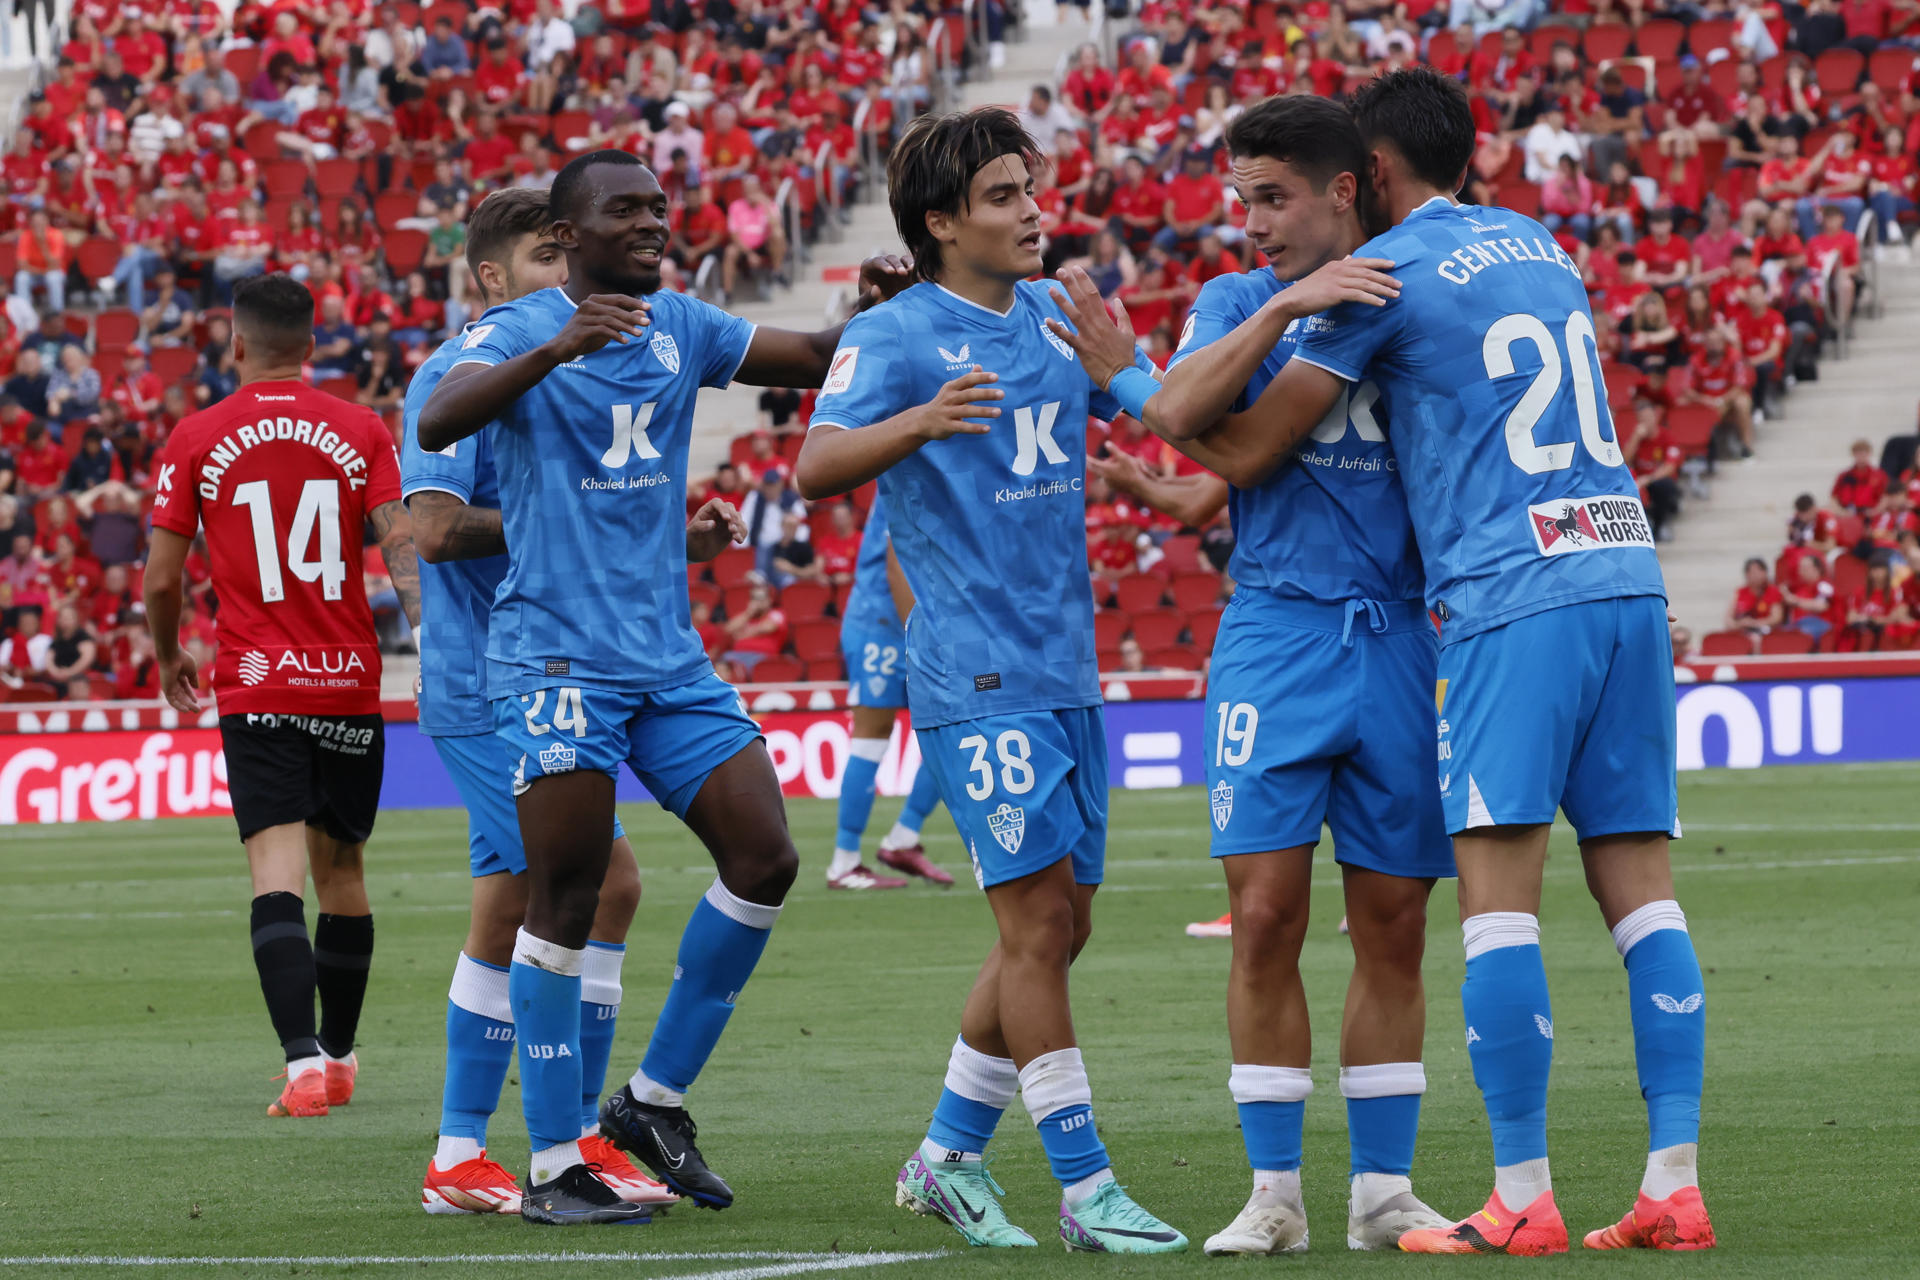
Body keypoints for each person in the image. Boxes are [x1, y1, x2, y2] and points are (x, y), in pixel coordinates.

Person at [1136, 69, 1711, 1254]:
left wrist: (1130, 381)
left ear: (1374, 177)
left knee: (1494, 903)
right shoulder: (1542, 244)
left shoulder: (1380, 280)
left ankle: (1519, 1194)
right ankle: (1673, 1181)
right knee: (1643, 896)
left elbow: (1241, 444)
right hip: (1623, 573)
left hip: (1508, 598)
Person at [417, 148, 912, 1225]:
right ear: (567, 234)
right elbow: (439, 423)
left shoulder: (682, 323)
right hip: (553, 659)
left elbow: (818, 354)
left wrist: (870, 312)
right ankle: (554, 1159)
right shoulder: (511, 334)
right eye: (625, 209)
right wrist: (557, 345)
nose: (652, 220)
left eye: (656, 205)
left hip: (667, 658)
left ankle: (648, 1102)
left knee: (766, 855)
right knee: (563, 896)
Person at [1043, 93, 1454, 1255]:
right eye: (1243, 201)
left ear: (1347, 187)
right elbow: (1188, 417)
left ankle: (1384, 1193)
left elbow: (1223, 445)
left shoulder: (1420, 300)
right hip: (1274, 635)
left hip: (1397, 638)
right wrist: (1282, 299)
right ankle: (1274, 1193)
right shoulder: (1236, 300)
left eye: (1274, 197)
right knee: (1263, 914)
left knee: (1395, 922)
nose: (1254, 220)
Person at [795, 108, 1187, 1255]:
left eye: (1031, 188)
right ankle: (1085, 1180)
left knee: (1062, 926)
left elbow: (1164, 405)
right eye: (1007, 195)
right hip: (974, 665)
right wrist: (919, 420)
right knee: (1032, 925)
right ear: (941, 221)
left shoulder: (1060, 322)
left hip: (1066, 659)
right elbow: (817, 463)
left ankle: (945, 1157)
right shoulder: (900, 334)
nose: (1033, 212)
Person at [401, 188, 684, 1217]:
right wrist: (561, 523)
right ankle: (542, 1143)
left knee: (530, 896)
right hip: (489, 674)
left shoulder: (588, 370)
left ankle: (476, 1150)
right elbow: (429, 531)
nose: (568, 281)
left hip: (561, 662)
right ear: (491, 278)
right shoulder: (465, 372)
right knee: (593, 879)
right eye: (542, 260)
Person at [143, 272, 421, 1121]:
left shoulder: (194, 436)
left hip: (257, 684)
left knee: (276, 875)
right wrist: (437, 641)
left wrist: (167, 655)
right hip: (346, 681)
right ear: (311, 347)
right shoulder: (362, 428)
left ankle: (301, 1067)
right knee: (345, 874)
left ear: (235, 345)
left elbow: (162, 579)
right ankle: (339, 1061)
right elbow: (400, 545)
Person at [826, 491, 952, 891]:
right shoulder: (914, 466)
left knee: (950, 728)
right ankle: (844, 862)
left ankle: (903, 838)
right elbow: (897, 560)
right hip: (881, 622)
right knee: (872, 738)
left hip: (915, 617)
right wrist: (921, 635)